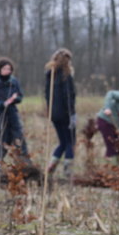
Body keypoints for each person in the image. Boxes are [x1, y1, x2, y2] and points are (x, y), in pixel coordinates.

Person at [0, 57, 28, 163]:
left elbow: (20, 96)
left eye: (9, 69)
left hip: (12, 113)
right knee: (0, 139)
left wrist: (14, 99)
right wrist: (2, 104)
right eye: (5, 68)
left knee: (18, 137)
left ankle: (23, 163)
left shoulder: (14, 81)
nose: (7, 71)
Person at [44, 49, 77, 178]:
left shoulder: (50, 74)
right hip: (65, 114)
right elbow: (68, 96)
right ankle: (68, 171)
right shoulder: (66, 76)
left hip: (54, 114)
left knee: (62, 142)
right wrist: (72, 115)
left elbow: (47, 95)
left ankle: (51, 166)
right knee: (70, 142)